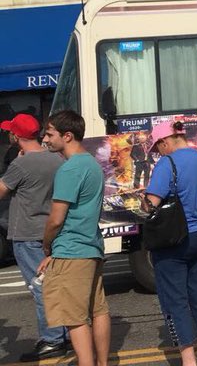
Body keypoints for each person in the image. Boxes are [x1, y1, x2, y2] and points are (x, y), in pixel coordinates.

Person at [143, 121, 197, 366]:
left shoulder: (168, 163)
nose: (159, 153)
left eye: (158, 147)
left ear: (165, 141)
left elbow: (152, 202)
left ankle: (188, 359)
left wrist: (142, 202)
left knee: (173, 298)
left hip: (173, 239)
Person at [38, 110, 110, 366]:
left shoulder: (69, 169)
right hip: (91, 246)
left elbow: (56, 218)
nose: (45, 139)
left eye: (49, 133)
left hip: (71, 249)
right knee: (97, 310)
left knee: (74, 317)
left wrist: (47, 246)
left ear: (67, 136)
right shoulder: (91, 163)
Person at [0, 114, 69, 361]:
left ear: (16, 136)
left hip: (27, 233)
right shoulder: (56, 158)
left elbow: (1, 191)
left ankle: (52, 340)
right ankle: (66, 333)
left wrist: (12, 167)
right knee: (57, 285)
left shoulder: (20, 165)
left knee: (39, 287)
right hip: (51, 230)